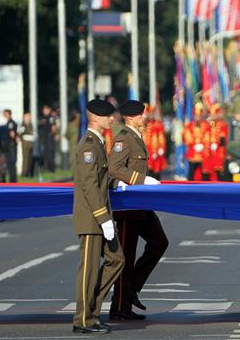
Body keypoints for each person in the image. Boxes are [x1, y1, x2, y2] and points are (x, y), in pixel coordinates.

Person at [108, 100, 168, 321]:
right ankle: (119, 307)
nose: (145, 118)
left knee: (160, 242)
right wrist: (142, 180)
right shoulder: (124, 138)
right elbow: (114, 168)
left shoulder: (135, 136)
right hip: (128, 207)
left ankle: (132, 288)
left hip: (141, 204)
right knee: (126, 256)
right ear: (131, 118)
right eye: (142, 115)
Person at [72, 99, 124, 334]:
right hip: (93, 218)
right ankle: (83, 319)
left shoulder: (98, 144)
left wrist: (118, 183)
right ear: (95, 117)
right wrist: (103, 219)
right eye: (107, 116)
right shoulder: (89, 146)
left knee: (117, 259)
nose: (111, 119)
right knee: (90, 270)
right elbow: (89, 185)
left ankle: (91, 308)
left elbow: (101, 181)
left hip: (101, 216)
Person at [1, 109, 18, 182]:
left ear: (9, 114)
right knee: (9, 163)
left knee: (11, 163)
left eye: (5, 113)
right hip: (9, 145)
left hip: (10, 145)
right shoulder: (8, 122)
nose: (4, 115)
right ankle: (12, 179)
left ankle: (13, 180)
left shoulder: (11, 123)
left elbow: (12, 134)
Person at [18, 112, 34, 177]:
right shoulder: (23, 125)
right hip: (26, 143)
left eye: (29, 116)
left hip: (31, 143)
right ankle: (24, 173)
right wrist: (22, 141)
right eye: (27, 117)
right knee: (25, 159)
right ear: (24, 118)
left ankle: (29, 172)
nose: (29, 118)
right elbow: (20, 133)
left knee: (30, 159)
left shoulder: (30, 124)